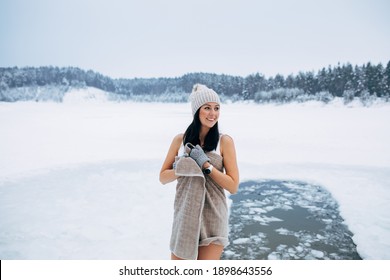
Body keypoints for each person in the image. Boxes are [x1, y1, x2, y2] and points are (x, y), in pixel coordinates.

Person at [159, 84, 239, 260]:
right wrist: (182, 167)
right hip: (185, 216)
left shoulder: (224, 142)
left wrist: (206, 165)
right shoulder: (180, 140)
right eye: (207, 108)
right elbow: (163, 177)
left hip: (213, 218)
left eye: (217, 108)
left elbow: (233, 186)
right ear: (197, 111)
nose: (213, 114)